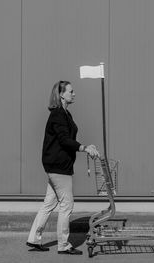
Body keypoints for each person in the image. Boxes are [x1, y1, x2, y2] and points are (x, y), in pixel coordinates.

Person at [26, 80, 100, 255]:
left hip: (56, 165)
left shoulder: (65, 114)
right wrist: (83, 148)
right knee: (67, 204)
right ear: (61, 95)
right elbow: (64, 139)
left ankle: (33, 239)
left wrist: (87, 146)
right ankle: (63, 245)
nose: (74, 94)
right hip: (59, 166)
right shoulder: (58, 114)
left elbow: (66, 138)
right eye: (71, 91)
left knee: (49, 203)